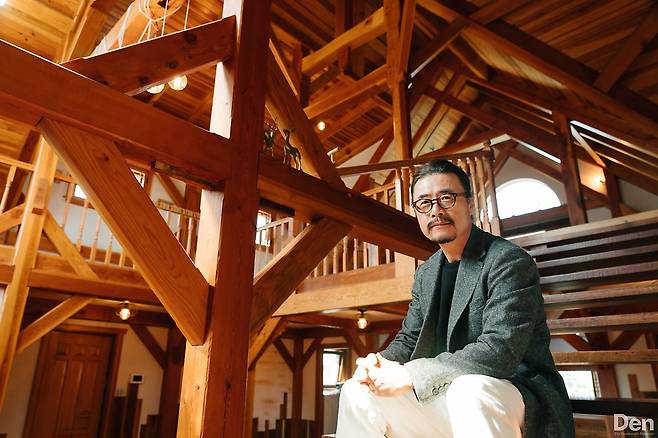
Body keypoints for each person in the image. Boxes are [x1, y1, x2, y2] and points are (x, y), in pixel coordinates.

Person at [336, 159, 574, 437]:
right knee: (356, 390)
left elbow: (500, 351)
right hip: (445, 393)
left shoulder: (508, 261)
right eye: (424, 203)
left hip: (516, 392)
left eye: (446, 198)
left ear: (470, 204)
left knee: (469, 388)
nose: (435, 210)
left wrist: (410, 375)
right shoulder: (426, 273)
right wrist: (377, 364)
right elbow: (410, 339)